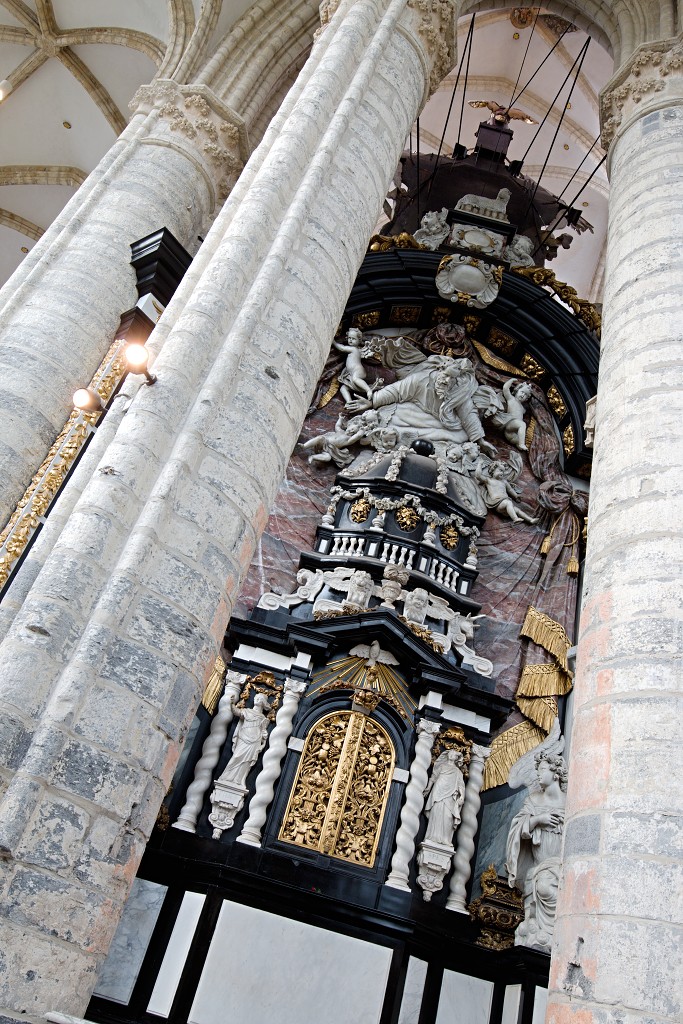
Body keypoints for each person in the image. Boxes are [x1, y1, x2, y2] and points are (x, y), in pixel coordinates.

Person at [506, 753, 567, 952]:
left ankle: (555, 934)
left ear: (555, 773)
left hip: (559, 865)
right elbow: (517, 828)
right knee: (539, 885)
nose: (538, 774)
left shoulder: (571, 802)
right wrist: (538, 819)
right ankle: (540, 932)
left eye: (542, 770)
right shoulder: (533, 800)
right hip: (539, 864)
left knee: (545, 887)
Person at [218, 694, 271, 789]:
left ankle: (240, 780)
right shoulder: (247, 711)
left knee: (247, 762)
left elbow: (263, 731)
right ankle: (225, 777)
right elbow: (236, 711)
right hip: (244, 738)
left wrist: (264, 736)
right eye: (256, 697)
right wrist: (231, 703)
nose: (256, 699)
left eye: (259, 699)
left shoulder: (262, 718)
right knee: (236, 757)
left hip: (255, 741)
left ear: (263, 702)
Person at [423, 748, 466, 846]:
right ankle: (432, 837)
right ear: (447, 755)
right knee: (436, 814)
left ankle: (445, 839)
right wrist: (428, 788)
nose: (451, 755)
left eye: (454, 755)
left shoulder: (458, 772)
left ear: (456, 758)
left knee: (447, 816)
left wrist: (462, 797)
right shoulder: (441, 766)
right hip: (438, 792)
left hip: (450, 796)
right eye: (450, 753)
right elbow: (433, 778)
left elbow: (461, 785)